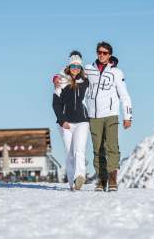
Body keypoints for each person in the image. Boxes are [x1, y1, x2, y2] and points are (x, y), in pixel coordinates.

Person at [54, 42, 132, 192]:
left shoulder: (117, 72)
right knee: (97, 149)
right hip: (93, 116)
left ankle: (113, 178)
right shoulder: (89, 69)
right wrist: (55, 77)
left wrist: (128, 116)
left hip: (110, 114)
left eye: (104, 53)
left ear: (110, 55)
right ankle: (101, 180)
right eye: (99, 52)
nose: (101, 55)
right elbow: (70, 71)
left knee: (112, 147)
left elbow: (124, 95)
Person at [52, 51, 90, 191]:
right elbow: (55, 104)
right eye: (73, 66)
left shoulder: (85, 81)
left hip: (82, 121)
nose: (75, 69)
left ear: (81, 68)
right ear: (68, 66)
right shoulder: (61, 81)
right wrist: (62, 121)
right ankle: (71, 181)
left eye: (78, 66)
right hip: (65, 123)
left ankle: (79, 177)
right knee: (69, 152)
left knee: (79, 150)